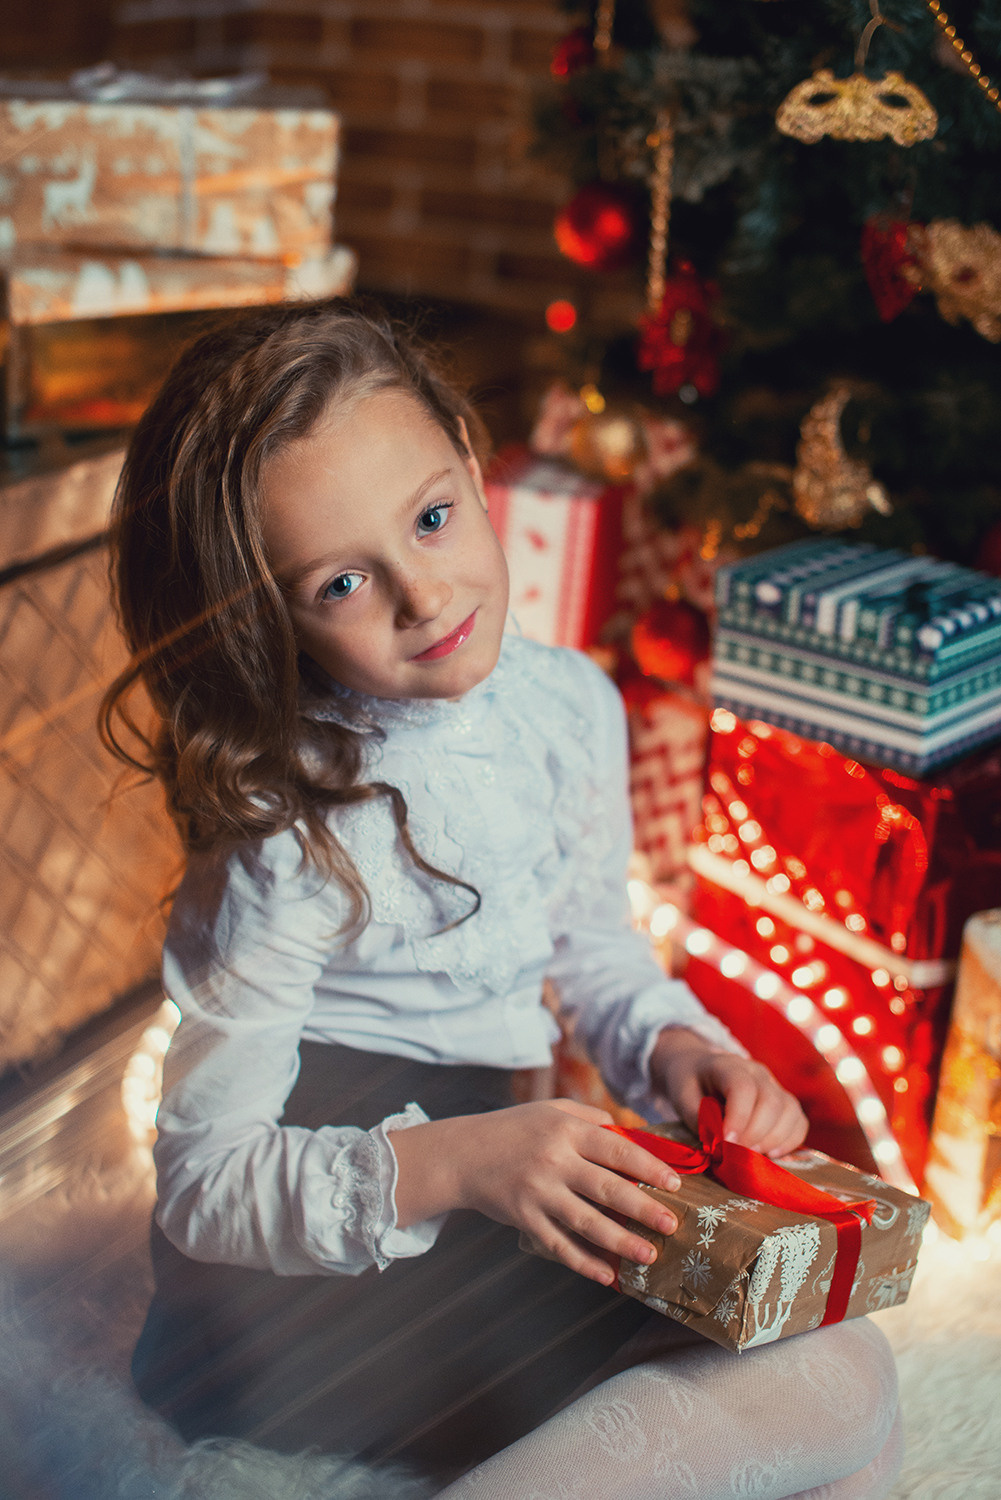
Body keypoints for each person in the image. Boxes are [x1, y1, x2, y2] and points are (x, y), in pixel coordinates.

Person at [101, 300, 903, 1499]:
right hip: (312, 1273)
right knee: (835, 1381)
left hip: (511, 1170)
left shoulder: (569, 706)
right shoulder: (286, 827)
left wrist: (675, 1048)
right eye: (341, 583)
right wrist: (465, 1163)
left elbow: (590, 947)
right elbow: (206, 1186)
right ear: (272, 618)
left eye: (430, 519)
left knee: (845, 1413)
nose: (424, 597)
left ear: (475, 472)